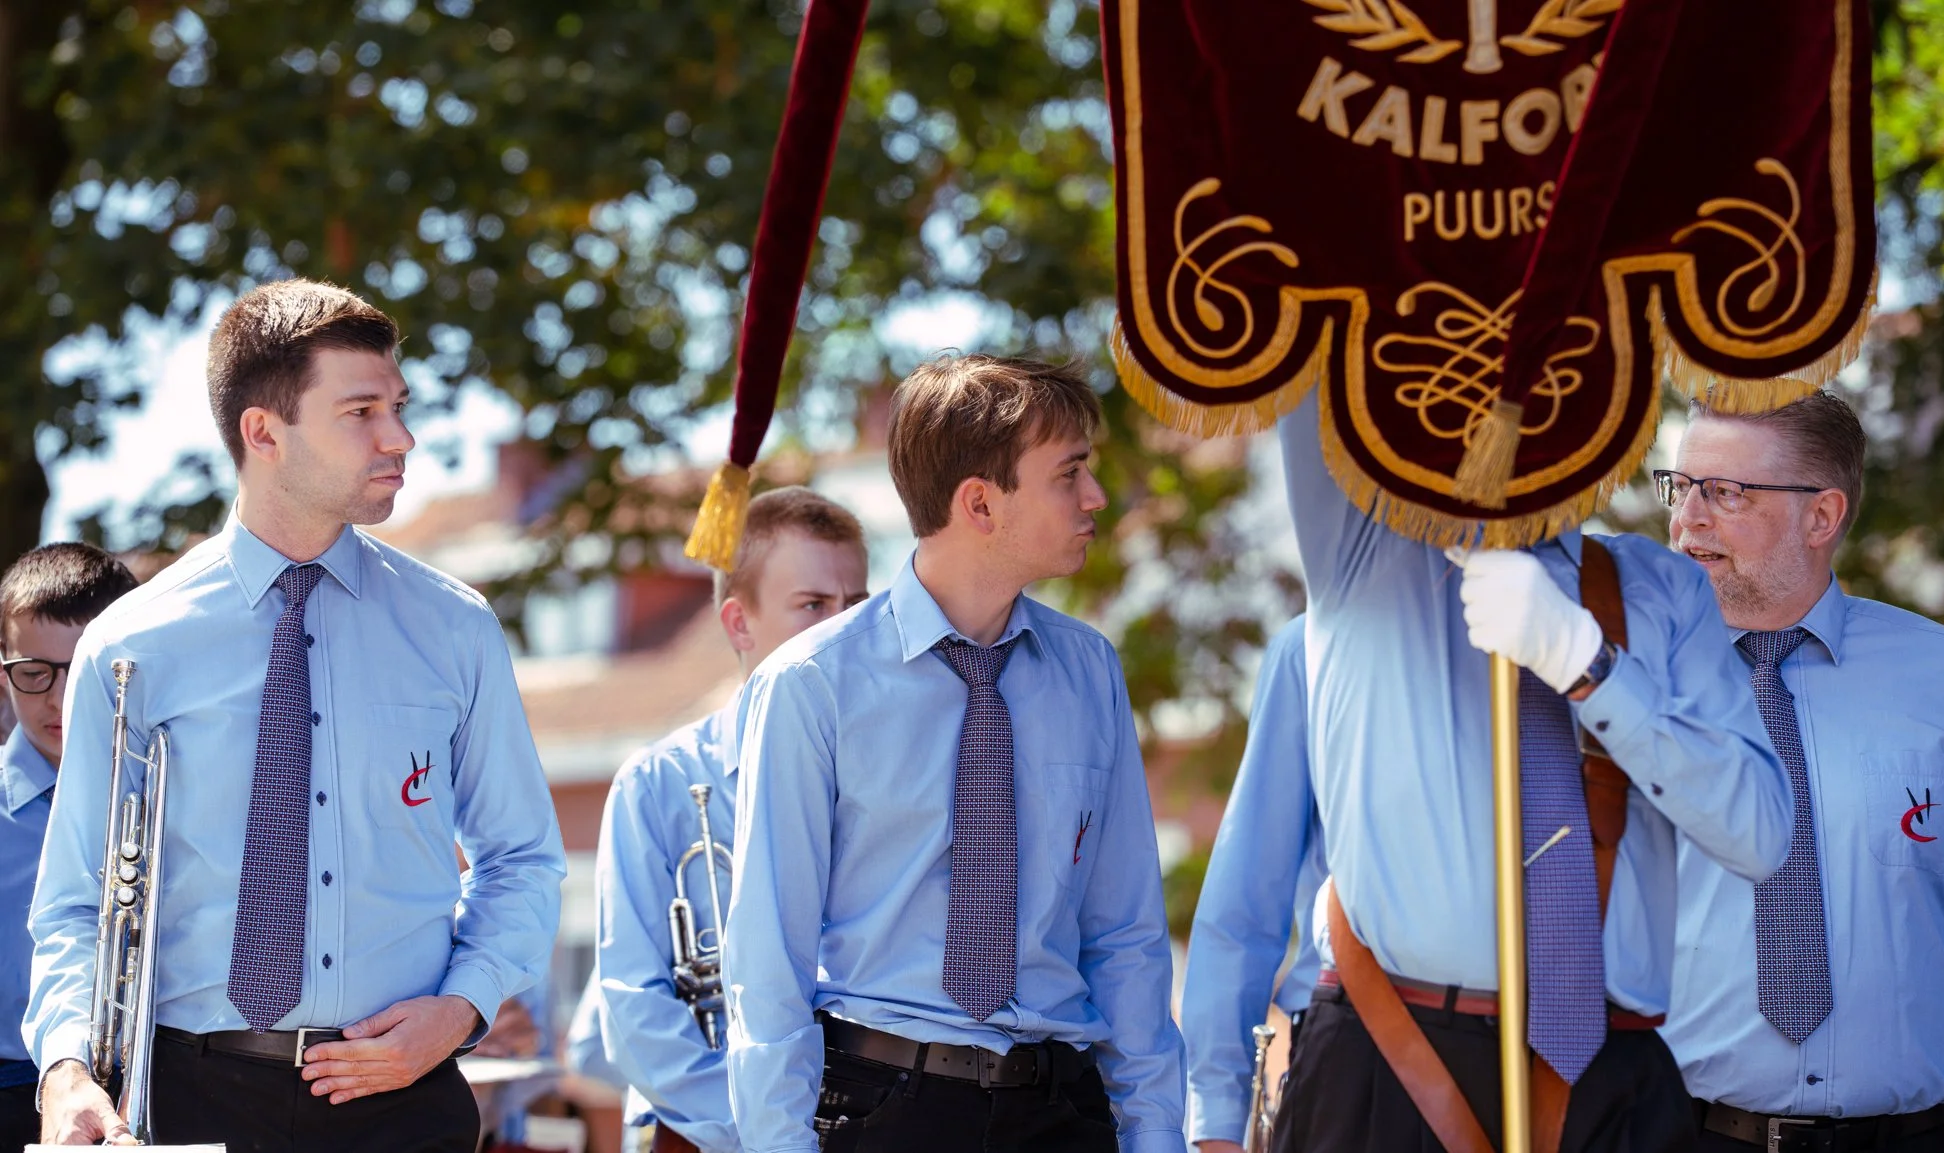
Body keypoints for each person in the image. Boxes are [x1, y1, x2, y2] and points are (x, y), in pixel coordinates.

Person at [26, 279, 567, 1150]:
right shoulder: (132, 645)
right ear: (264, 432)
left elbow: (524, 856)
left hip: (403, 1097)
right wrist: (65, 1067)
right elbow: (75, 903)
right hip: (186, 1100)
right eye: (360, 410)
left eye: (398, 406)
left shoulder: (455, 626)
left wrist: (463, 1007)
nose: (401, 437)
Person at [1270, 391, 1792, 1153]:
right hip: (1387, 1061)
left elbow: (1761, 832)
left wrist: (1589, 667)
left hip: (1613, 1072)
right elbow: (1314, 334)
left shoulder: (1664, 589)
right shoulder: (1359, 544)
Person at [723, 355, 1185, 1153]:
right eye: (1068, 473)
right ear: (980, 502)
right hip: (884, 1111)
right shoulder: (810, 685)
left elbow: (1126, 934)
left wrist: (1155, 1135)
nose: (1095, 497)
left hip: (1063, 1111)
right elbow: (769, 960)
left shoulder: (1089, 671)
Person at [1658, 391, 1944, 1153]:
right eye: (1681, 484)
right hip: (1683, 1132)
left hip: (1913, 1138)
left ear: (1822, 515)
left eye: (1727, 491)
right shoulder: (1622, 687)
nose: (1690, 517)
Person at [596, 486, 870, 1153]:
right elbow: (633, 1004)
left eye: (856, 607)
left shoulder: (894, 778)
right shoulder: (657, 786)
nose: (842, 629)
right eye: (812, 605)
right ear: (738, 624)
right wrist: (766, 1126)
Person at [0, 543, 138, 1150]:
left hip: (161, 1088)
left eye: (84, 670)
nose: (59, 700)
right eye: (34, 673)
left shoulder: (175, 799)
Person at [1181, 614, 1329, 1152]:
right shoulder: (1314, 648)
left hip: (1589, 1060)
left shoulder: (1603, 606)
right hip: (1361, 1062)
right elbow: (1246, 906)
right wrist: (1220, 1120)